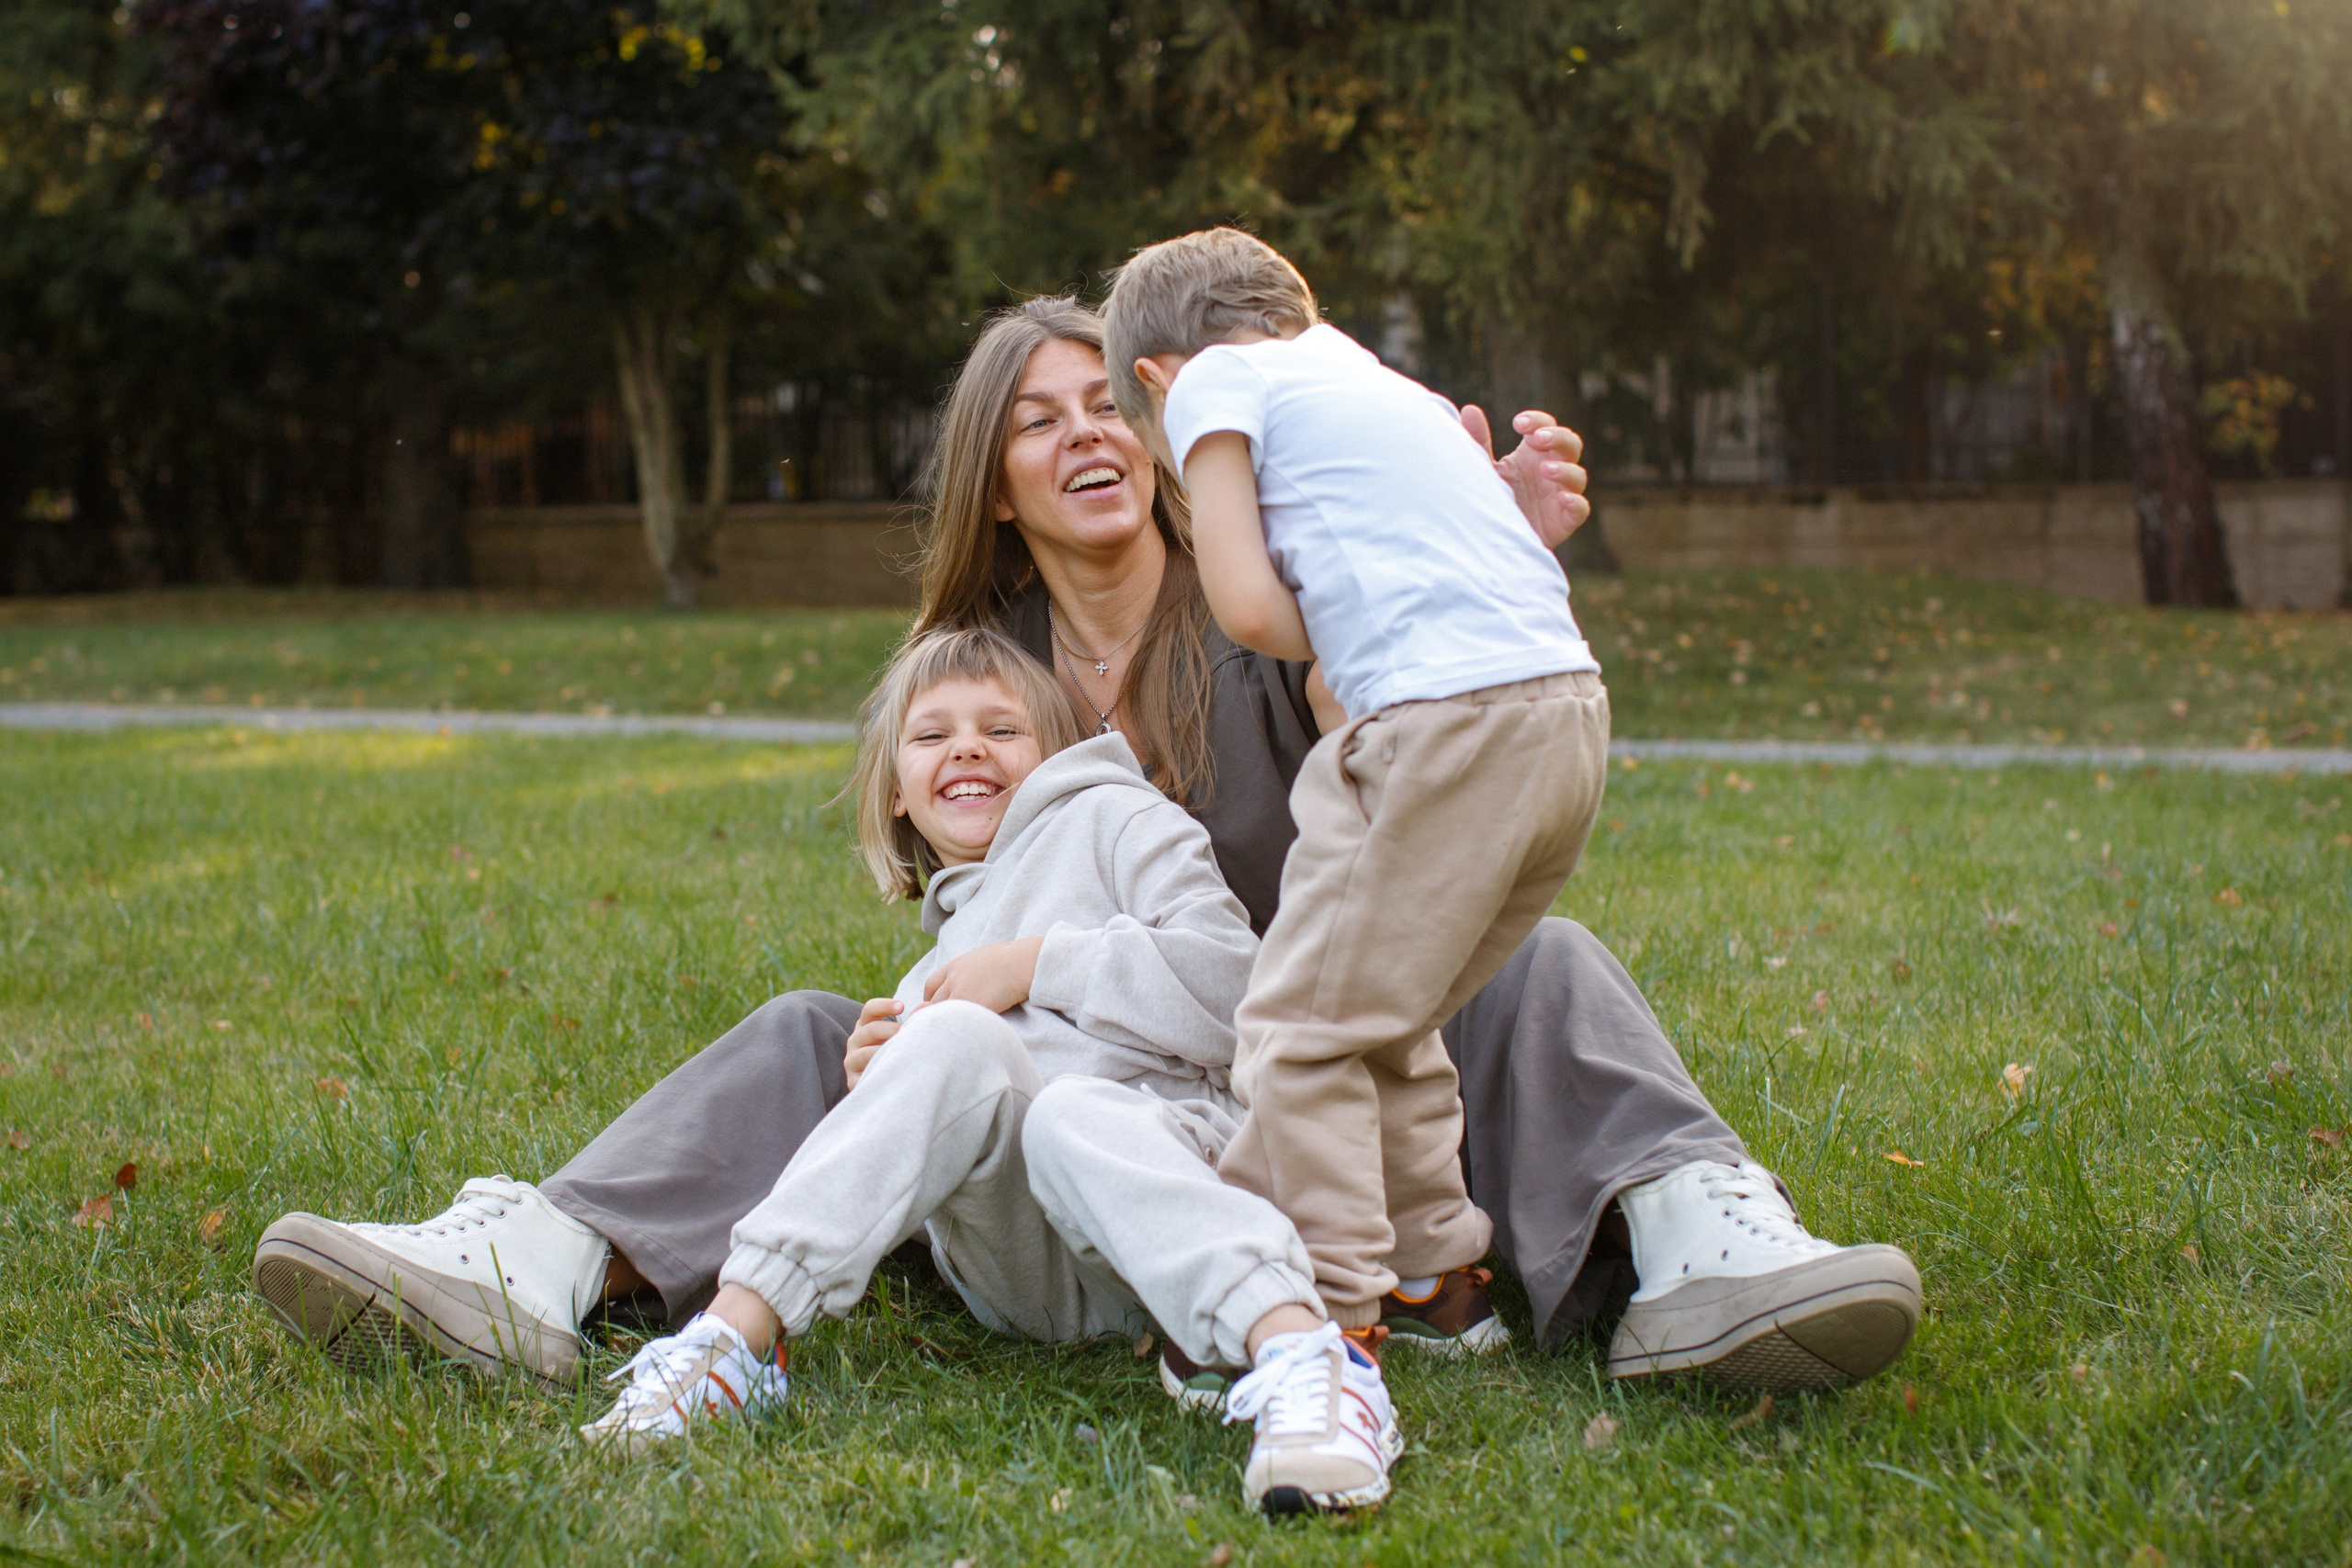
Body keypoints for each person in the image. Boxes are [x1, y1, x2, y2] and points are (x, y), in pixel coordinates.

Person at [253, 293, 1917, 1417]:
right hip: (1071, 1106)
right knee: (805, 1032)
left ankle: (1705, 1241)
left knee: (1527, 960)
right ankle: (537, 1258)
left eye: (1109, 400)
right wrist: (921, 1012)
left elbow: (1429, 741)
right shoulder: (978, 680)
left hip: (1311, 1053)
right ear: (999, 485)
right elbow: (947, 914)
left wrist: (1469, 542)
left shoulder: (1274, 592)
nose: (1088, 432)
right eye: (1038, 420)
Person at [575, 626, 1387, 1512]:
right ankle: (734, 1342)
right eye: (932, 735)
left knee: (1075, 1110)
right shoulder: (931, 970)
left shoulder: (1120, 817)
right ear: (895, 793)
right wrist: (883, 1081)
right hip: (1029, 1280)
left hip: (1168, 1205)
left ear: (1054, 754)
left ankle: (1310, 1359)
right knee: (954, 1039)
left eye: (1001, 729)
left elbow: (1236, 989)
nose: (966, 746)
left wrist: (1040, 962)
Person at [1102, 225, 1612, 1384]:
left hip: (1430, 733)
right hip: (1563, 718)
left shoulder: (1211, 383)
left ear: (1152, 382)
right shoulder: (1385, 384)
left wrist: (1315, 617)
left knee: (1296, 1030)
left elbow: (1242, 606)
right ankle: (1438, 1274)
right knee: (1381, 1009)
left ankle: (1324, 1306)